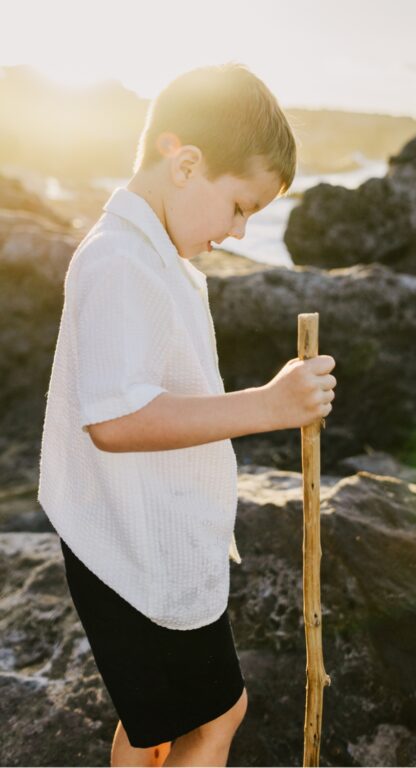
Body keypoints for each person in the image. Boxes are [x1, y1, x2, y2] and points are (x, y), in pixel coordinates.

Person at [38, 65, 337, 767]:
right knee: (216, 715)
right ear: (186, 162)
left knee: (159, 725)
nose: (238, 232)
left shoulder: (159, 258)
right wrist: (267, 405)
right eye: (239, 207)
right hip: (127, 547)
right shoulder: (120, 261)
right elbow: (116, 419)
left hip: (144, 536)